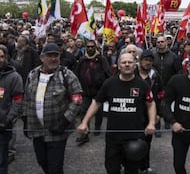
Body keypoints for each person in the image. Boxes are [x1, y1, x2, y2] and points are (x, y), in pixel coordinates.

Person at [77, 52, 156, 174]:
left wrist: (151, 123)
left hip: (134, 136)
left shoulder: (142, 84)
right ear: (118, 66)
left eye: (130, 62)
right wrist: (84, 122)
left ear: (135, 65)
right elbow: (96, 102)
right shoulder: (109, 83)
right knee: (112, 169)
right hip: (113, 137)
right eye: (124, 62)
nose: (127, 65)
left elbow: (151, 104)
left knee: (132, 170)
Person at [22, 43, 83, 173]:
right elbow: (26, 98)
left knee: (55, 167)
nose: (53, 59)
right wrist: (25, 120)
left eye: (56, 56)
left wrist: (65, 120)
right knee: (42, 162)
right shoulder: (32, 75)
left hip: (57, 132)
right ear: (42, 58)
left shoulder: (67, 75)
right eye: (50, 56)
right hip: (37, 130)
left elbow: (77, 100)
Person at [75, 39, 111, 144]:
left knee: (98, 110)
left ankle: (97, 126)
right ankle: (85, 131)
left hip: (98, 90)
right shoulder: (82, 60)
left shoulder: (101, 59)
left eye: (92, 47)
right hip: (85, 91)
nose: (90, 48)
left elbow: (108, 73)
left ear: (95, 48)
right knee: (84, 111)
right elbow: (76, 74)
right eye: (88, 47)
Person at [137, 50, 164, 174]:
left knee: (146, 142)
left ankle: (145, 166)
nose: (147, 62)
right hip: (132, 113)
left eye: (150, 60)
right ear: (140, 60)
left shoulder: (155, 76)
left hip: (149, 115)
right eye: (145, 60)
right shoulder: (132, 73)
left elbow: (161, 95)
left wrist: (158, 113)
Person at [0, 45, 23, 173]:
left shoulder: (14, 77)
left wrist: (8, 119)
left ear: (7, 58)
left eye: (2, 56)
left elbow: (18, 101)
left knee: (1, 160)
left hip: (3, 126)